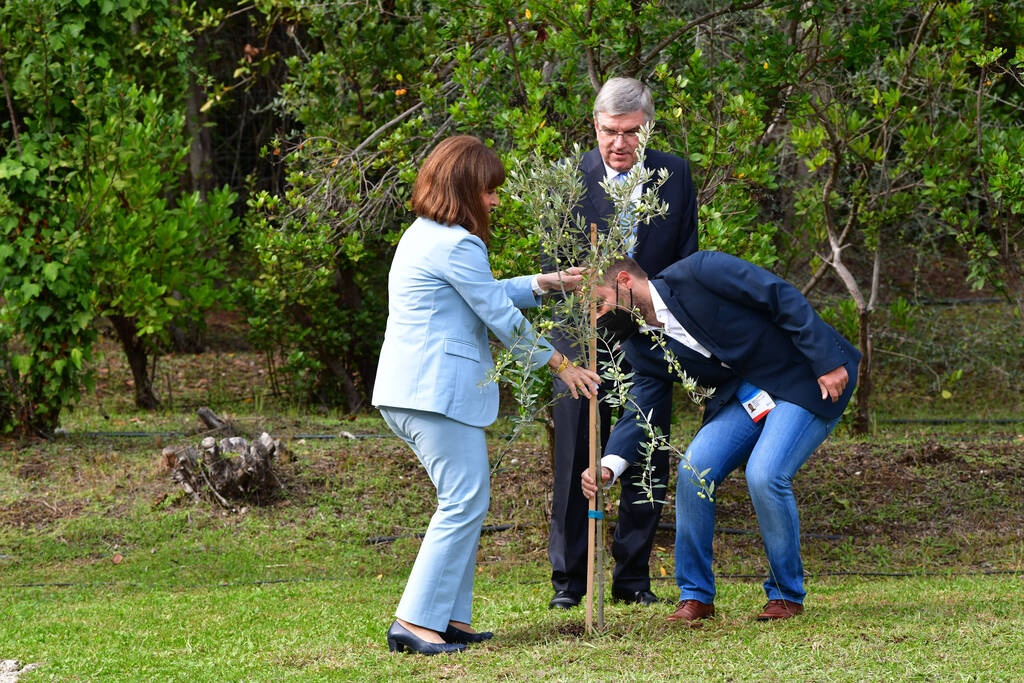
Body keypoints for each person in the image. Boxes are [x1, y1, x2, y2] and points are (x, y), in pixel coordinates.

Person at [372, 135, 601, 655]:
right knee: (463, 500)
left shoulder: (424, 234)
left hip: (411, 390)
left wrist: (547, 283)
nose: (495, 200)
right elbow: (498, 315)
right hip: (433, 394)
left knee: (465, 500)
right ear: (463, 188)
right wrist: (562, 365)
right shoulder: (458, 244)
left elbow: (484, 292)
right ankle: (413, 623)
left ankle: (450, 619)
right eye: (489, 190)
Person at [580, 253, 860, 622]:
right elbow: (641, 408)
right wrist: (608, 465)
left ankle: (785, 594)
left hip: (805, 376)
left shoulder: (699, 272)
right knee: (694, 471)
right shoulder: (640, 346)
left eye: (600, 303)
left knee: (764, 474)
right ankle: (696, 596)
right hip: (745, 397)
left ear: (624, 281)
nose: (599, 317)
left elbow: (779, 295)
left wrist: (826, 360)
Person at [547, 77, 700, 609]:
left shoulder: (675, 175)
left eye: (631, 132)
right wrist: (588, 297)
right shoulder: (567, 179)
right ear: (595, 125)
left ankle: (633, 579)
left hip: (651, 335)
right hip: (582, 337)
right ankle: (570, 583)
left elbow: (686, 259)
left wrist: (663, 318)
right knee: (576, 454)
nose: (619, 143)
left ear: (647, 128)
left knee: (647, 452)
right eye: (609, 131)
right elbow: (551, 264)